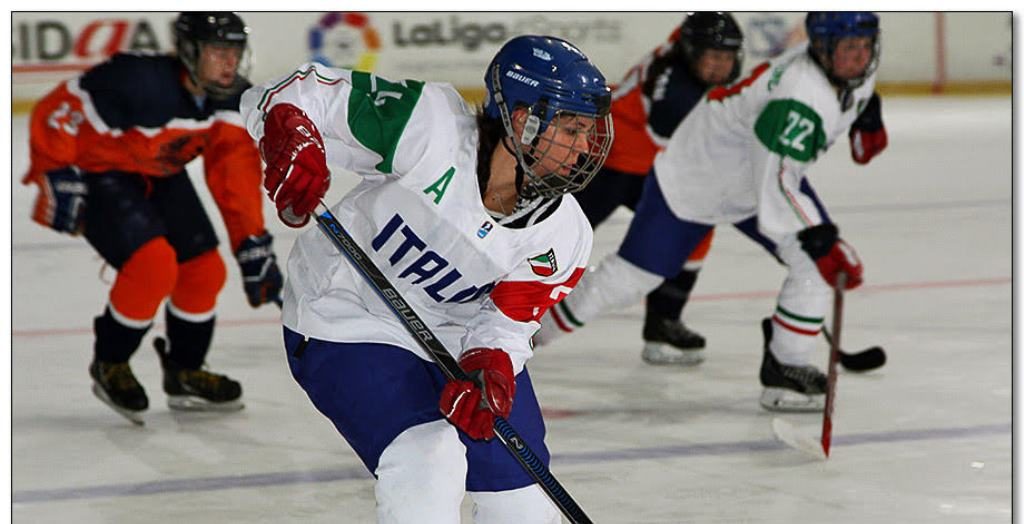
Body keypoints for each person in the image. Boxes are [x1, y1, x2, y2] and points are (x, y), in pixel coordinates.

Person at [239, 35, 612, 522]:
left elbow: (507, 326)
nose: (584, 147)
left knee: (526, 507)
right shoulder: (428, 125)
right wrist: (292, 135)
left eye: (589, 131)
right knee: (427, 462)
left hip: (453, 338)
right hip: (348, 315)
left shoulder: (565, 235)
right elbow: (292, 94)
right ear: (522, 119)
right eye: (571, 127)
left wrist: (490, 366)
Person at [536, 12, 888, 412]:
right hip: (696, 180)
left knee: (813, 261)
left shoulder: (843, 72)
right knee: (627, 280)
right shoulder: (799, 96)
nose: (859, 58)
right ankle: (529, 335)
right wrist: (818, 237)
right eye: (848, 49)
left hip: (751, 176)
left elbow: (780, 168)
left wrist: (865, 107)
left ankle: (786, 366)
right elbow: (777, 179)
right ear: (823, 48)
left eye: (864, 46)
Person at [22, 12, 283, 424]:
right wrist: (54, 168)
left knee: (205, 270)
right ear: (190, 52)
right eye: (218, 53)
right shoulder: (139, 80)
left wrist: (251, 242)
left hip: (160, 174)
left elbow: (234, 176)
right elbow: (62, 107)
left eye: (234, 53)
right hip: (101, 173)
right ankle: (111, 363)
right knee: (153, 266)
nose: (229, 64)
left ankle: (185, 370)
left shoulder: (233, 101)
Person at [565, 12, 744, 366]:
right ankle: (503, 302)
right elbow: (680, 138)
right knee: (564, 236)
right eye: (714, 57)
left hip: (648, 164)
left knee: (695, 230)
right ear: (692, 52)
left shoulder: (687, 49)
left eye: (727, 57)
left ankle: (664, 322)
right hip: (611, 160)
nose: (721, 66)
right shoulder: (675, 89)